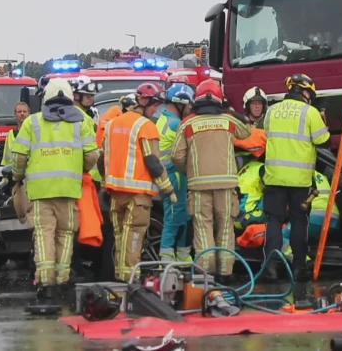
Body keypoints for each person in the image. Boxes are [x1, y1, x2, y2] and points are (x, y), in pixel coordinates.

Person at [10, 78, 99, 305]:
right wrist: (78, 169)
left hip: (40, 191)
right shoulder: (82, 122)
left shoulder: (32, 122)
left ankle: (46, 285)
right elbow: (91, 156)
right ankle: (62, 281)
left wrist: (17, 176)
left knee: (43, 234)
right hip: (69, 189)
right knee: (65, 234)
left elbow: (19, 158)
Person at [172, 79, 251, 284]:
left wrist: (190, 170)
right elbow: (247, 131)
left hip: (198, 186)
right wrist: (230, 110)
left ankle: (206, 276)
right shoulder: (228, 120)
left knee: (203, 228)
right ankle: (225, 275)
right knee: (225, 227)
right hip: (226, 185)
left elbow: (177, 155)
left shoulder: (187, 124)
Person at [102, 82, 175, 281]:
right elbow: (153, 161)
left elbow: (103, 158)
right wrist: (168, 189)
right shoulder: (146, 126)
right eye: (154, 105)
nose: (156, 110)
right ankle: (130, 281)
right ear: (144, 102)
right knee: (133, 236)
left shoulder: (112, 124)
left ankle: (120, 277)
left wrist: (105, 183)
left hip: (116, 192)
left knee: (119, 237)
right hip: (138, 193)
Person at [262, 73, 330, 281]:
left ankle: (271, 267)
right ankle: (299, 267)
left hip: (274, 178)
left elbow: (267, 135)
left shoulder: (271, 111)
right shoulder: (310, 113)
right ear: (305, 91)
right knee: (299, 222)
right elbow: (323, 141)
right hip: (300, 180)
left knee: (273, 221)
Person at [156, 83, 195, 262]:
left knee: (182, 216)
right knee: (174, 217)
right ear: (180, 103)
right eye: (188, 105)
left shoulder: (163, 119)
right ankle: (167, 259)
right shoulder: (176, 124)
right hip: (174, 175)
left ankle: (182, 256)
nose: (189, 109)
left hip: (169, 175)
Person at [70, 76, 103, 189]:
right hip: (82, 176)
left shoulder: (89, 115)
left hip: (89, 176)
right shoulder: (78, 116)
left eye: (92, 96)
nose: (91, 99)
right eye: (88, 95)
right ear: (76, 95)